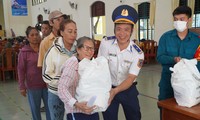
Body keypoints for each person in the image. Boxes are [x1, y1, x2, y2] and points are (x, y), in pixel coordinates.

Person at [98, 5, 144, 120]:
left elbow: (130, 78)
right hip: (108, 87)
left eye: (126, 29)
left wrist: (116, 90)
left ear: (132, 31)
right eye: (118, 29)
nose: (122, 33)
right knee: (109, 117)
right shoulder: (106, 43)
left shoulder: (138, 53)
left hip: (128, 89)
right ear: (114, 30)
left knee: (134, 117)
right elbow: (100, 67)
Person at [157, 5, 200, 102]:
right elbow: (160, 57)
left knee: (186, 112)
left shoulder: (197, 40)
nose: (178, 22)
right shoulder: (165, 37)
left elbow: (199, 62)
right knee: (165, 109)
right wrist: (174, 59)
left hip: (189, 84)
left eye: (182, 19)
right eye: (176, 19)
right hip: (167, 82)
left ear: (189, 19)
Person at [42, 19, 77, 120]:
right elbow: (46, 75)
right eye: (69, 31)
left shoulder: (78, 49)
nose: (73, 35)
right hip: (56, 93)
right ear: (61, 32)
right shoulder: (53, 51)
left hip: (74, 93)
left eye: (75, 31)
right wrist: (63, 83)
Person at [58, 36, 99, 120]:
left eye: (92, 49)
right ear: (78, 49)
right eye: (87, 48)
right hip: (77, 112)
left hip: (91, 110)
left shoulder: (91, 64)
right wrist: (76, 103)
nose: (90, 52)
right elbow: (61, 88)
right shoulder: (72, 64)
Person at [17, 26, 50, 120]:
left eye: (37, 34)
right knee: (35, 110)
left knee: (50, 109)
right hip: (33, 86)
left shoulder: (44, 48)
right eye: (32, 35)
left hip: (47, 84)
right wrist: (22, 86)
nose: (35, 37)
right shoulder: (24, 52)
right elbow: (21, 69)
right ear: (27, 37)